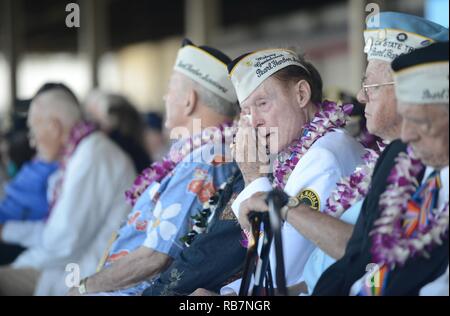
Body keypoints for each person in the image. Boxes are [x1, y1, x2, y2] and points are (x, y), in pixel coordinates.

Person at [67, 39, 240, 296]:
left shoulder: (206, 159)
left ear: (189, 100)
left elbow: (155, 258)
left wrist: (84, 287)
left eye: (171, 88)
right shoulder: (202, 154)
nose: (165, 97)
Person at [194, 47, 366, 296]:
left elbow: (278, 271)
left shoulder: (322, 157)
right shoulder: (307, 150)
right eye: (247, 111)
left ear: (301, 94)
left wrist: (253, 177)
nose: (254, 121)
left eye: (262, 103)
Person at [312, 18, 448, 296]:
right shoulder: (397, 156)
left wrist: (287, 209)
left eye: (421, 121)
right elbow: (358, 262)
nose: (408, 135)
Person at [0, 83, 136, 296]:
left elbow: (61, 242)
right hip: (65, 267)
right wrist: (6, 231)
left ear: (54, 127)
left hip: (80, 275)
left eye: (32, 129)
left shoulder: (92, 155)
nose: (32, 142)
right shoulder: (82, 153)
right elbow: (56, 233)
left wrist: (15, 251)